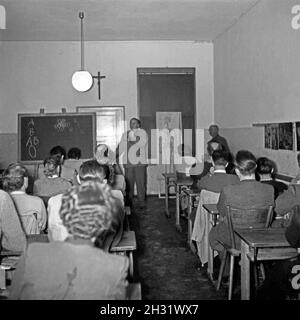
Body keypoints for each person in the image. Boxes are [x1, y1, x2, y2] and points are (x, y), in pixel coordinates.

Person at [9, 180, 129, 300]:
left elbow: (14, 296)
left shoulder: (32, 253)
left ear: (65, 216)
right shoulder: (116, 266)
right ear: (105, 225)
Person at [209, 150, 274, 273]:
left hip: (234, 239)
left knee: (213, 235)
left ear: (237, 170)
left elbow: (221, 212)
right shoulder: (269, 190)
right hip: (258, 238)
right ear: (255, 168)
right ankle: (246, 265)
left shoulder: (228, 190)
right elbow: (270, 217)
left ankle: (228, 271)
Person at [48, 160, 124, 249]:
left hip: (62, 258)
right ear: (104, 182)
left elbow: (51, 236)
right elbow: (115, 241)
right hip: (97, 260)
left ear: (78, 179)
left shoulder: (54, 201)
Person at [2, 163, 47, 235]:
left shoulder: (2, 201)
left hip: (7, 245)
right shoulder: (38, 202)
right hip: (32, 243)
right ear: (25, 180)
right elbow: (42, 226)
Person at [116, 117, 148, 209]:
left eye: (134, 123)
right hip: (128, 163)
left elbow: (139, 143)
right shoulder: (125, 134)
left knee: (140, 183)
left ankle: (141, 201)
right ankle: (128, 202)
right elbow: (121, 147)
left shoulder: (142, 133)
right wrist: (115, 155)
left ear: (138, 125)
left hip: (140, 163)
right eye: (131, 123)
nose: (131, 124)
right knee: (128, 184)